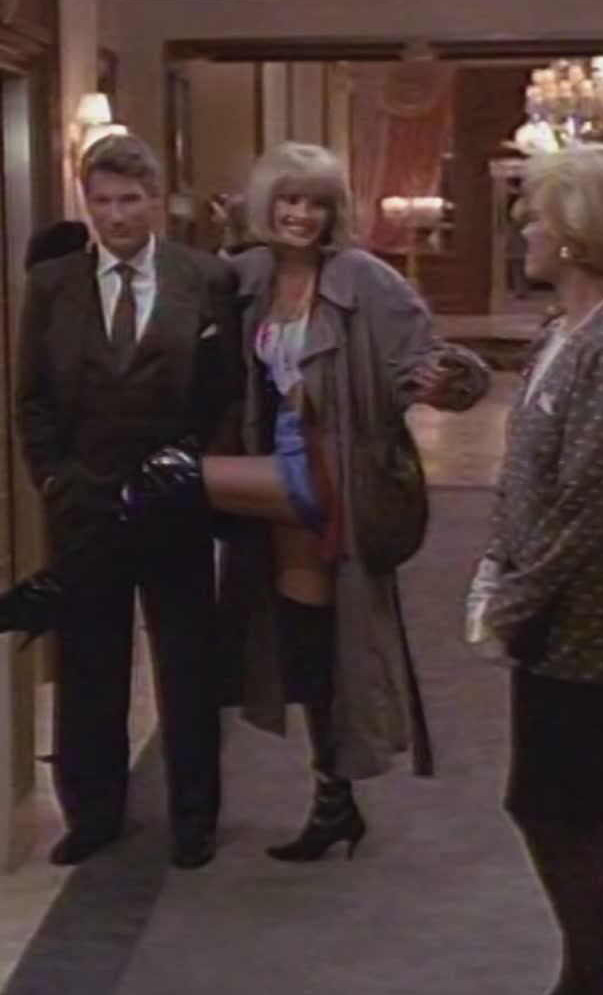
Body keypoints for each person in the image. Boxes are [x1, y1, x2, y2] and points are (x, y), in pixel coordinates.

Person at [123, 141, 490, 863]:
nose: (301, 214)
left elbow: (434, 362)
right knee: (310, 640)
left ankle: (76, 595)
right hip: (279, 458)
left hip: (334, 470)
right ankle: (334, 802)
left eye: (315, 203)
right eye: (289, 200)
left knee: (167, 479)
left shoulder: (365, 279)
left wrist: (449, 380)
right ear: (268, 204)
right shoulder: (248, 274)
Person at [14, 133, 240, 869]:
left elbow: (227, 394)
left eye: (130, 200)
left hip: (174, 502)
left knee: (187, 664)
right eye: (102, 201)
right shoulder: (52, 284)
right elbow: (31, 397)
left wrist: (197, 469)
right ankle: (94, 813)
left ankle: (194, 817)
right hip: (84, 504)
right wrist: (54, 478)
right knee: (88, 665)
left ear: (156, 201)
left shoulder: (204, 278)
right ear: (87, 203)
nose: (116, 216)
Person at [469, 143, 603, 995]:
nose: (524, 231)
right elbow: (530, 479)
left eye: (536, 216)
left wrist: (513, 594)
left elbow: (592, 500)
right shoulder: (560, 333)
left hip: (589, 614)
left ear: (575, 234)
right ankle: (580, 982)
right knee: (542, 802)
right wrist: (503, 568)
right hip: (547, 603)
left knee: (561, 803)